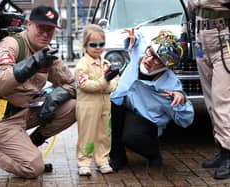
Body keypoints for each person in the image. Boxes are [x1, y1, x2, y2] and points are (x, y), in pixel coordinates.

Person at [0, 5, 76, 178]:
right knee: (33, 168)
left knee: (74, 106)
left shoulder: (47, 52)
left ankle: (28, 148)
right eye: (41, 28)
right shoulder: (11, 44)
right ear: (29, 25)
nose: (45, 34)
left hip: (25, 112)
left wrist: (57, 97)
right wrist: (33, 64)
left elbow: (72, 83)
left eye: (50, 30)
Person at [109, 29, 194, 170]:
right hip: (125, 107)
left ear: (166, 67)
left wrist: (182, 101)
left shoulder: (170, 84)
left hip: (147, 121)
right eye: (150, 53)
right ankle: (117, 156)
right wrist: (133, 37)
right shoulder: (141, 52)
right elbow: (138, 40)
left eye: (157, 60)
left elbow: (186, 120)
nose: (148, 60)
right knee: (110, 108)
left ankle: (153, 154)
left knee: (132, 137)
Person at [181, 0, 230, 180]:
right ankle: (222, 147)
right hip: (201, 40)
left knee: (221, 101)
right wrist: (183, 36)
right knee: (210, 101)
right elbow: (187, 11)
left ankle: (228, 153)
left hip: (223, 40)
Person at [74, 24, 119, 176]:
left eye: (101, 44)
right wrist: (104, 81)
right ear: (85, 45)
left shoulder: (107, 64)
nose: (98, 48)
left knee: (104, 134)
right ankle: (84, 162)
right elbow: (85, 85)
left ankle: (102, 160)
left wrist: (102, 83)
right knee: (87, 134)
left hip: (105, 105)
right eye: (93, 45)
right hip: (87, 106)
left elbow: (113, 85)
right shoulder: (82, 65)